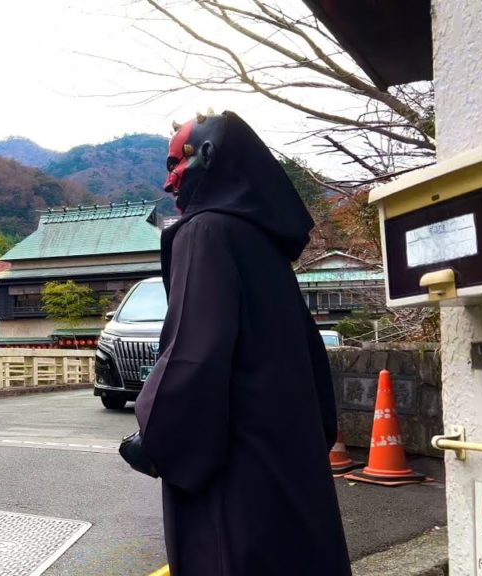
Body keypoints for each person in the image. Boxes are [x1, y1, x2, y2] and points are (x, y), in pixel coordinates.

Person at [132, 111, 351, 575]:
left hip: (236, 462)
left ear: (207, 158)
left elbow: (193, 353)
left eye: (176, 163)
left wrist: (156, 440)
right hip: (289, 459)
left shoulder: (206, 231)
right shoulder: (262, 242)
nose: (170, 182)